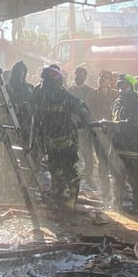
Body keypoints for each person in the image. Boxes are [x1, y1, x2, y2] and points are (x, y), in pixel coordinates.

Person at [30, 65, 90, 219]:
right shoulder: (42, 93)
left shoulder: (59, 94)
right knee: (56, 169)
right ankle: (60, 197)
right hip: (51, 140)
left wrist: (84, 118)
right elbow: (32, 113)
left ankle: (70, 201)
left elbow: (81, 106)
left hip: (66, 140)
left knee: (68, 170)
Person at [106, 74, 138, 214]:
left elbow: (133, 123)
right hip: (118, 146)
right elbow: (112, 119)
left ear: (132, 88)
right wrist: (107, 128)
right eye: (120, 86)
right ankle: (116, 203)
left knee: (133, 178)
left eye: (125, 86)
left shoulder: (137, 106)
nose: (121, 89)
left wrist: (114, 125)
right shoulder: (116, 103)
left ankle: (136, 207)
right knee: (117, 176)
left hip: (133, 147)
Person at [68, 66, 97, 187]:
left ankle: (89, 174)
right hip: (72, 125)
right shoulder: (70, 90)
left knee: (86, 152)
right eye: (77, 74)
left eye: (81, 74)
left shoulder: (89, 92)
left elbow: (90, 109)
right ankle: (73, 174)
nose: (78, 76)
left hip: (84, 126)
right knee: (72, 151)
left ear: (85, 77)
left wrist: (86, 120)